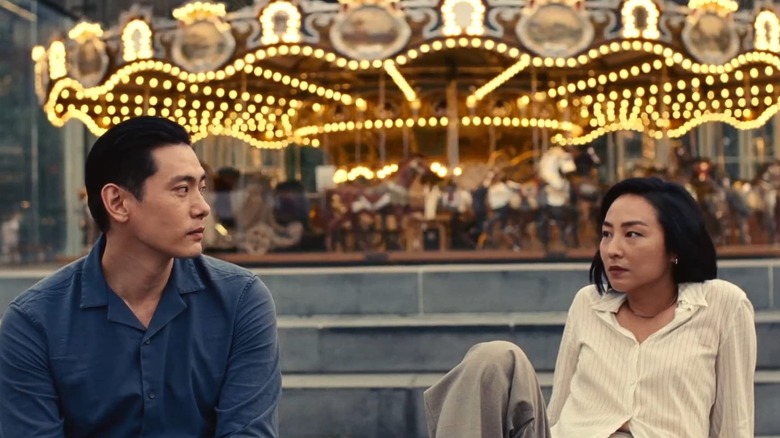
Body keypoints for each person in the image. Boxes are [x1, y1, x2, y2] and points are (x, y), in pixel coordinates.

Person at [0, 117, 282, 437]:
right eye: (181, 189)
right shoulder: (34, 323)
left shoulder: (241, 300)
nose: (202, 207)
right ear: (118, 203)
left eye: (201, 188)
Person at [424, 177, 756, 438]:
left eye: (633, 235)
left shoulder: (722, 305)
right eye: (607, 234)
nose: (612, 249)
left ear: (675, 246)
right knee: (492, 359)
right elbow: (557, 411)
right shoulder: (588, 303)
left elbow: (733, 425)